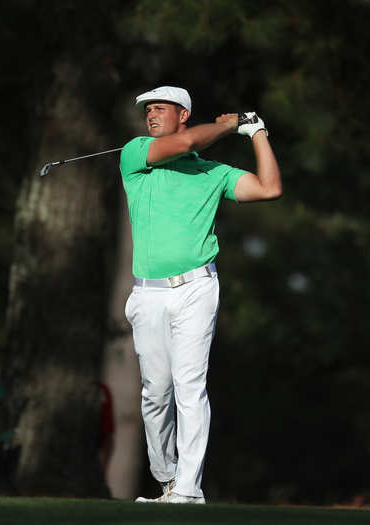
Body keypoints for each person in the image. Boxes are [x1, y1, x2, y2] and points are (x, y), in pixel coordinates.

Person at [120, 86, 281, 504]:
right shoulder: (137, 153)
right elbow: (188, 142)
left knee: (189, 387)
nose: (151, 116)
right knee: (155, 393)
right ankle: (168, 479)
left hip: (196, 288)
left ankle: (188, 489)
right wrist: (229, 125)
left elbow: (268, 188)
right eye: (148, 110)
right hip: (147, 294)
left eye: (161, 109)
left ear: (184, 113)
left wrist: (256, 133)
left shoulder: (215, 173)